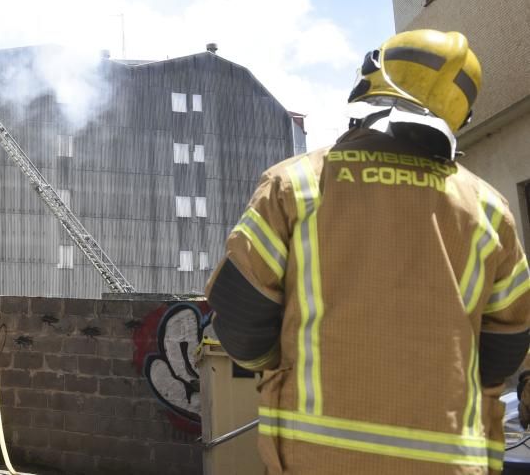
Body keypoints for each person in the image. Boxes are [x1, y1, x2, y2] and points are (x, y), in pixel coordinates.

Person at [206, 29, 530, 474]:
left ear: (369, 81)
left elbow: (241, 319)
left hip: (315, 459)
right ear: (461, 114)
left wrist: (283, 366)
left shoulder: (296, 185)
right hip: (452, 462)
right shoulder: (489, 209)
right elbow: (507, 342)